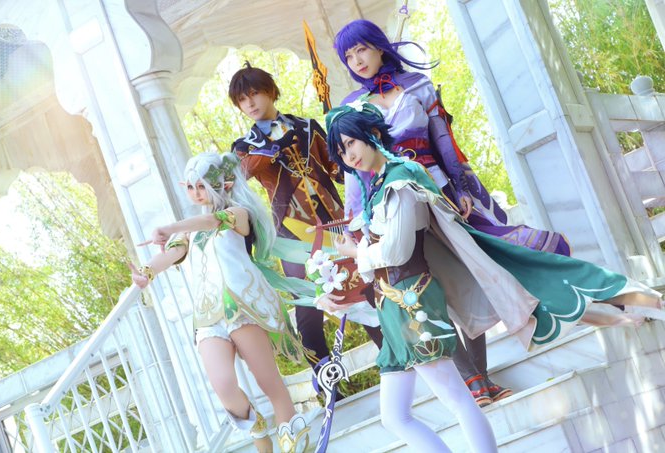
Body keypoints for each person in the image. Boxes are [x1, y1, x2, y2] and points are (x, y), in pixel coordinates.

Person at [321, 101, 662, 451]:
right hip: (392, 306)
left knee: (458, 402)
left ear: (372, 134)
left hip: (413, 303)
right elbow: (380, 258)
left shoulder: (401, 180)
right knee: (394, 417)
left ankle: (637, 302)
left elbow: (398, 251)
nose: (349, 155)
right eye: (341, 150)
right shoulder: (378, 188)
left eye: (351, 142)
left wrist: (356, 253)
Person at [333, 18, 570, 405]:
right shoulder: (350, 107)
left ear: (378, 47)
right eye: (348, 56)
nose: (356, 60)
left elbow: (442, 138)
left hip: (437, 192)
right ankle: (471, 380)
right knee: (421, 288)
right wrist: (356, 221)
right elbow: (352, 171)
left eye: (361, 49)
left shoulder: (417, 86)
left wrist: (460, 186)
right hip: (391, 202)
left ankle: (482, 377)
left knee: (468, 277)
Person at [130, 152, 309, 453]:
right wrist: (146, 272)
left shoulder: (239, 214)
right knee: (223, 385)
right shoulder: (188, 231)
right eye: (191, 187)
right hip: (208, 315)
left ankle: (294, 440)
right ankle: (258, 430)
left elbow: (213, 220)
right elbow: (172, 254)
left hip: (242, 306)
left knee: (269, 381)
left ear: (223, 184)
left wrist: (171, 227)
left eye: (202, 185)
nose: (196, 193)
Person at [228, 63, 384, 383]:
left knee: (361, 287)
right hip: (292, 231)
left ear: (270, 91)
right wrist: (272, 148)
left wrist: (346, 147)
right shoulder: (244, 147)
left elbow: (337, 169)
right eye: (242, 99)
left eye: (255, 93)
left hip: (335, 221)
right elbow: (242, 175)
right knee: (309, 303)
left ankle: (394, 356)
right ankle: (325, 379)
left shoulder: (308, 127)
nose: (250, 103)